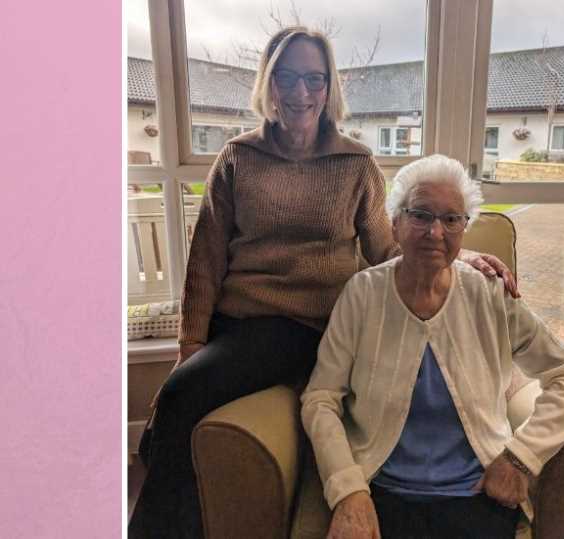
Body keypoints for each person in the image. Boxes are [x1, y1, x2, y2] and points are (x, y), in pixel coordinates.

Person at [129, 26, 517, 539]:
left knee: (178, 401)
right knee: (182, 400)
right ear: (268, 83)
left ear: (330, 87)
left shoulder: (354, 162)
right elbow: (205, 259)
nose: (300, 93)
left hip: (311, 325)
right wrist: (191, 346)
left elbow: (387, 248)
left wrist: (457, 252)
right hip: (238, 326)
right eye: (287, 78)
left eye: (314, 79)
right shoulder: (238, 157)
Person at [301, 154, 564, 539]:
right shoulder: (363, 293)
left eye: (451, 219)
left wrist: (521, 458)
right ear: (395, 223)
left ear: (464, 228)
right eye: (420, 215)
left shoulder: (489, 294)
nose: (435, 232)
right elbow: (321, 398)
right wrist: (348, 490)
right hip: (382, 491)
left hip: (473, 494)